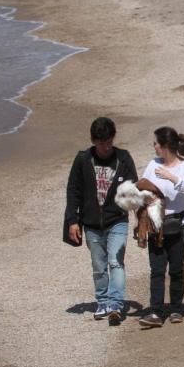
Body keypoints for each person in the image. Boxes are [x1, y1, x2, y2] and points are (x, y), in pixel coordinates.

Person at [64, 117, 138, 323]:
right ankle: (102, 301)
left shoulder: (123, 158)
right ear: (93, 141)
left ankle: (115, 304)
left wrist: (138, 216)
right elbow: (73, 191)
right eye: (101, 143)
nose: (106, 147)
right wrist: (72, 220)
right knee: (98, 266)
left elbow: (133, 188)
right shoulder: (83, 159)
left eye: (109, 141)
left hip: (117, 220)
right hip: (91, 224)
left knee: (116, 262)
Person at [138, 127, 184, 328]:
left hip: (180, 224)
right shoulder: (152, 164)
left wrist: (170, 176)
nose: (153, 147)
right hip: (156, 224)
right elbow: (143, 187)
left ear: (164, 147)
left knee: (176, 268)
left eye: (155, 143)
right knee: (156, 269)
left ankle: (175, 308)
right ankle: (155, 311)